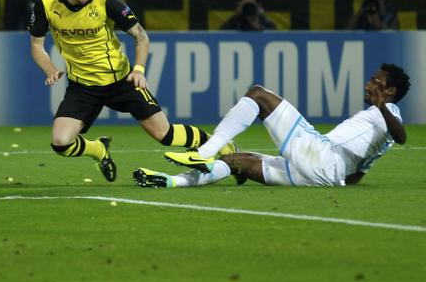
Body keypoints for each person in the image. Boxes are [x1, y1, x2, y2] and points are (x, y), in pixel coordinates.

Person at [28, 0, 233, 182]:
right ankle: (98, 150)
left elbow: (141, 36)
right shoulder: (46, 3)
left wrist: (139, 70)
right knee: (61, 143)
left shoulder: (107, 0)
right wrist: (50, 69)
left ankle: (221, 144)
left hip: (121, 80)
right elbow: (36, 45)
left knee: (165, 134)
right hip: (83, 86)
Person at [137, 64, 409, 188]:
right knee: (233, 161)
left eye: (376, 81)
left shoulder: (387, 112)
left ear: (390, 90)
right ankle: (172, 182)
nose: (369, 84)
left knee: (258, 94)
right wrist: (337, 181)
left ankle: (204, 151)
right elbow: (358, 174)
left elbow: (402, 136)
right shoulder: (377, 127)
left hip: (318, 155)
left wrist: (381, 104)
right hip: (320, 178)